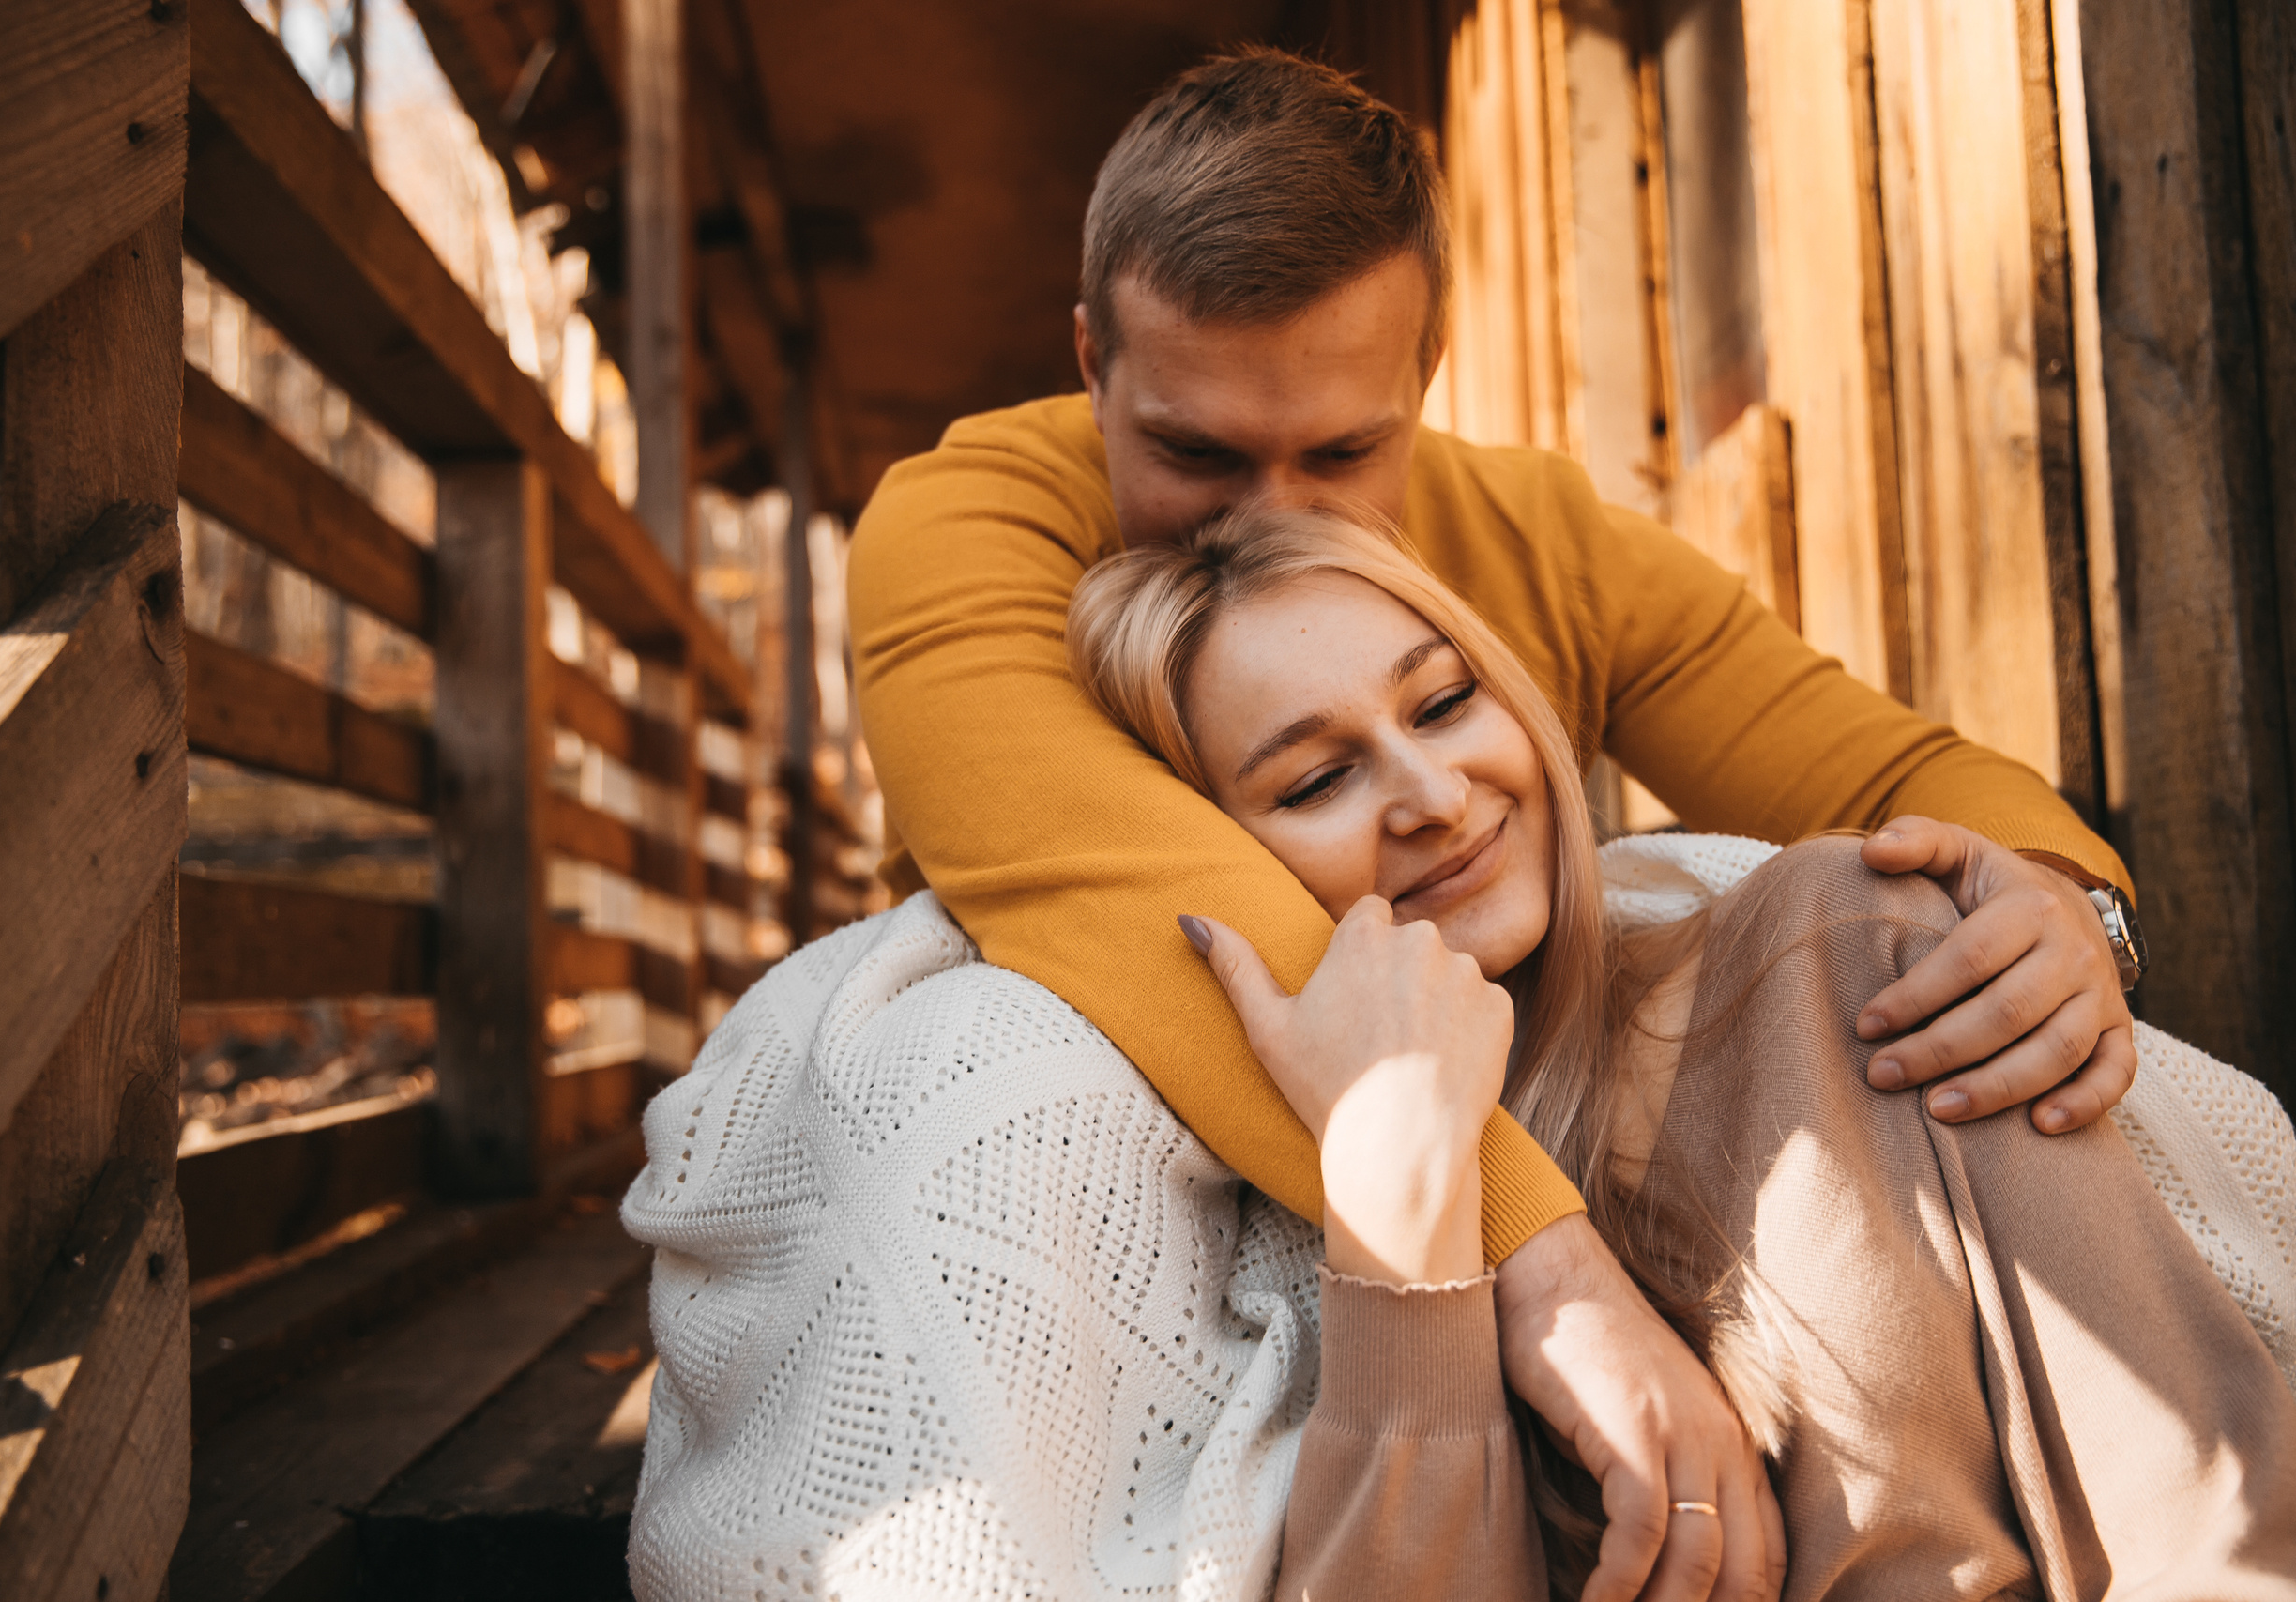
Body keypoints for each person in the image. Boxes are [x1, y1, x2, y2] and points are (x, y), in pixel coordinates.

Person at [847, 46, 2147, 1598]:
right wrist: (1550, 1270)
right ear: (1088, 363)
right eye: (1193, 453)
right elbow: (1134, 887)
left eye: (1343, 452)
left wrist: (2068, 904)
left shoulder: (1544, 535)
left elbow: (1884, 774)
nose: (1270, 513)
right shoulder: (959, 517)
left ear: (1429, 371)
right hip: (1134, 1184)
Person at [1062, 503, 2296, 1600]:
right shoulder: (1256, 1247)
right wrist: (1405, 1210)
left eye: (1445, 702)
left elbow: (2191, 1496)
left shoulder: (1841, 951)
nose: (1432, 794)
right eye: (1318, 778)